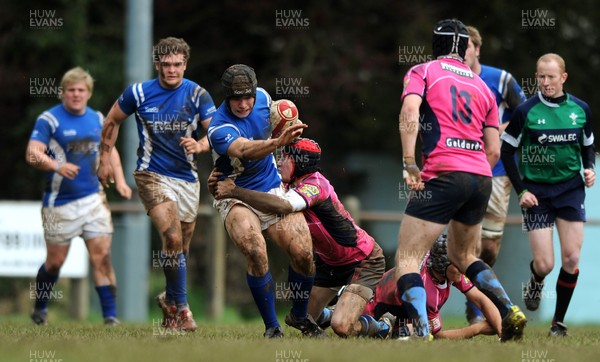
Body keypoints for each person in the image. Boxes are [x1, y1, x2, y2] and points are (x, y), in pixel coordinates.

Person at [395, 18, 526, 341]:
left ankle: (421, 332)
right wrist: (475, 170)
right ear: (465, 48)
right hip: (481, 177)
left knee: (408, 258)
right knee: (465, 256)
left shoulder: (422, 71)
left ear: (435, 46)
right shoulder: (483, 86)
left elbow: (411, 112)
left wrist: (411, 163)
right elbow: (494, 149)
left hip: (443, 173)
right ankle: (509, 310)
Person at [97, 37, 217, 332]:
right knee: (173, 239)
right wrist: (103, 159)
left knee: (179, 250)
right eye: (165, 65)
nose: (171, 70)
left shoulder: (198, 95)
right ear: (157, 64)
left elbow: (216, 132)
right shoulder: (138, 93)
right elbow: (112, 120)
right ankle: (184, 309)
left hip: (187, 180)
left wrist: (200, 146)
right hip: (151, 174)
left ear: (185, 64)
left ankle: (170, 303)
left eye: (177, 65)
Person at [211, 138, 386, 338]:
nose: (278, 163)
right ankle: (332, 311)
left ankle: (381, 326)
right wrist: (217, 184)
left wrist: (234, 191)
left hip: (363, 260)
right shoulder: (285, 183)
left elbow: (282, 206)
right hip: (330, 265)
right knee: (301, 318)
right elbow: (257, 188)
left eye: (284, 158)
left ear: (299, 163)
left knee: (342, 327)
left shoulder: (315, 185)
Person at [207, 64, 322, 338]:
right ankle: (272, 328)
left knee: (304, 253)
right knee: (256, 252)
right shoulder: (218, 126)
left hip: (271, 189)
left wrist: (287, 129)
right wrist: (276, 141)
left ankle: (299, 316)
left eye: (248, 96)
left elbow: (277, 124)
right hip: (233, 194)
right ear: (226, 97)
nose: (244, 103)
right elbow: (244, 149)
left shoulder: (264, 99)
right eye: (237, 98)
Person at [26, 67, 132, 325]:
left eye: (81, 90)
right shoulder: (49, 120)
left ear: (88, 93)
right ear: (63, 93)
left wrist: (120, 180)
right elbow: (32, 152)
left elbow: (109, 150)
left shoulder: (97, 118)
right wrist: (56, 166)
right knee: (55, 262)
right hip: (59, 204)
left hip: (94, 199)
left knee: (102, 256)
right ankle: (40, 309)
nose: (76, 95)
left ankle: (110, 317)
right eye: (71, 90)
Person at [500, 53, 595, 337]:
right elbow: (507, 151)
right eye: (541, 76)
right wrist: (522, 191)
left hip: (570, 189)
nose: (545, 82)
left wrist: (589, 168)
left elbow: (588, 145)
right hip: (537, 194)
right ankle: (537, 279)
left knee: (571, 258)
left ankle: (557, 324)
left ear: (563, 77)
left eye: (551, 77)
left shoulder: (581, 109)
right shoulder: (525, 111)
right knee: (545, 263)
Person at [463, 25, 527, 324]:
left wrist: (498, 130)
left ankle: (480, 297)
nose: (461, 52)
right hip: (462, 168)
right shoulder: (450, 78)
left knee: (488, 246)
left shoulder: (500, 79)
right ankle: (476, 307)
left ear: (477, 48)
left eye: (467, 46)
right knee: (468, 243)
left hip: (497, 170)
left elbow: (524, 113)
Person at [359, 235, 501, 340]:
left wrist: (503, 331)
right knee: (416, 332)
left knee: (412, 329)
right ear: (442, 265)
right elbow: (438, 336)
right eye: (458, 264)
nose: (462, 267)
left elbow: (481, 299)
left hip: (386, 298)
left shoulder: (440, 263)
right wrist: (479, 328)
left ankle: (392, 326)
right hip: (372, 308)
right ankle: (385, 328)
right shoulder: (428, 293)